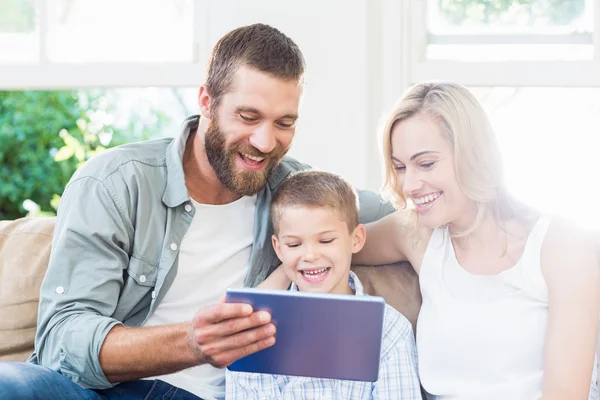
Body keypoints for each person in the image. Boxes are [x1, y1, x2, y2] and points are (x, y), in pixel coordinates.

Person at [0, 24, 393, 400]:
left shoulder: (299, 194)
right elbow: (61, 340)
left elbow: (404, 212)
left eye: (284, 123)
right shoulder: (116, 183)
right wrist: (191, 342)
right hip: (98, 392)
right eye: (248, 117)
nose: (265, 141)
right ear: (206, 101)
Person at [355, 81, 600, 399]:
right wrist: (269, 293)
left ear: (475, 153)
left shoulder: (562, 246)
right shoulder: (414, 232)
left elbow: (566, 395)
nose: (409, 184)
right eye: (400, 167)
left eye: (426, 163)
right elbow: (324, 248)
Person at [225, 170, 422, 399]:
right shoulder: (253, 331)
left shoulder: (389, 330)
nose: (310, 255)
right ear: (278, 249)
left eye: (326, 240)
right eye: (294, 244)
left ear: (356, 239)